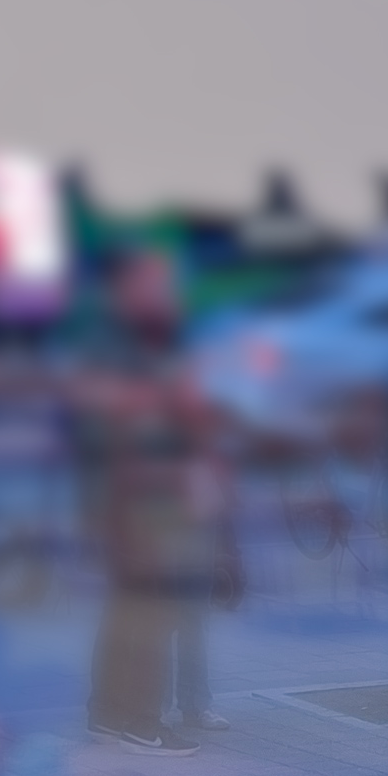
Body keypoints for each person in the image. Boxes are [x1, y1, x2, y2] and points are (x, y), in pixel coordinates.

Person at [74, 247, 242, 747]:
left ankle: (113, 712)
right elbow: (121, 417)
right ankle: (141, 719)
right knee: (148, 604)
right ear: (126, 290)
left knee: (138, 605)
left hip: (152, 491)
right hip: (134, 495)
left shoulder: (153, 341)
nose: (166, 294)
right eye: (154, 284)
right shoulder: (111, 345)